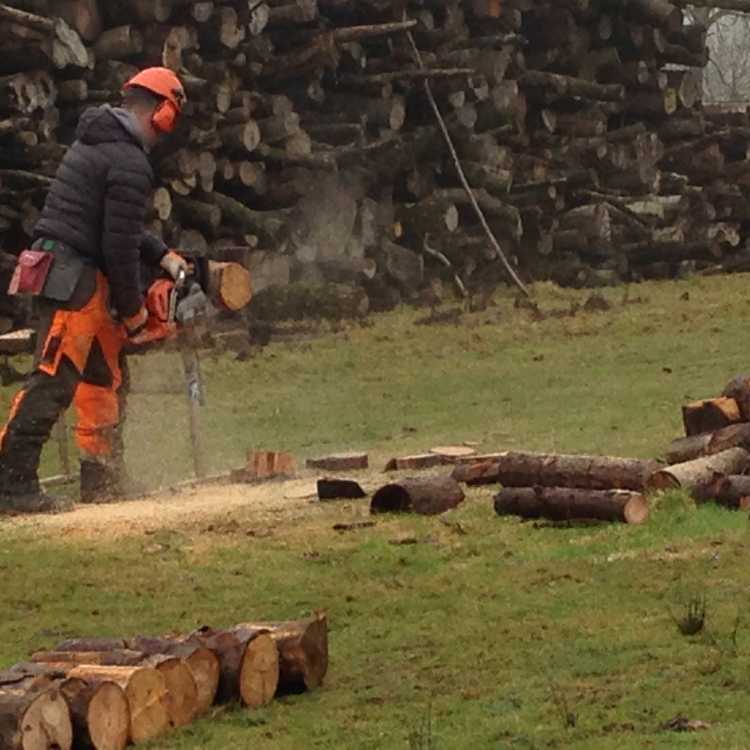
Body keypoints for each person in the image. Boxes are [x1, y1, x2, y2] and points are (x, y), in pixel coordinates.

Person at [0, 67, 188, 513]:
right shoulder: (127, 160)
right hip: (73, 274)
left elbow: (115, 222)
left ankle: (101, 479)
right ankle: (12, 483)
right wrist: (135, 310)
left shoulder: (101, 143)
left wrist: (162, 254)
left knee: (103, 379)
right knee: (55, 377)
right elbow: (117, 245)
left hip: (73, 267)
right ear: (163, 113)